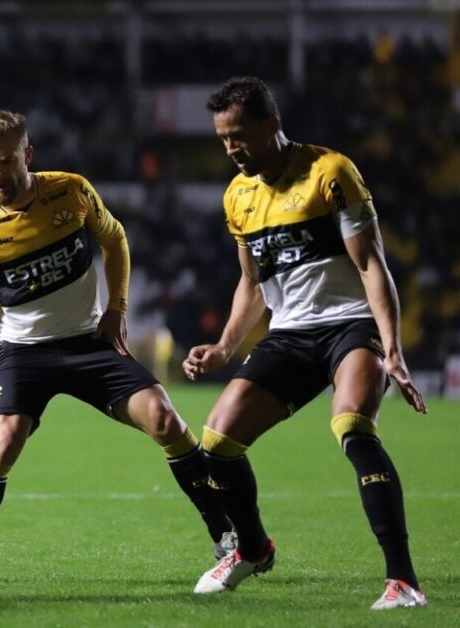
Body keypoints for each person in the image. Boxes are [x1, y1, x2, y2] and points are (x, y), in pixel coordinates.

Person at [0, 111, 234, 586]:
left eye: (5, 161)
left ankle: (224, 533)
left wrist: (117, 308)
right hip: (25, 352)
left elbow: (115, 239)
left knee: (165, 418)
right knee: (3, 441)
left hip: (89, 340)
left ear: (28, 155)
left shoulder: (70, 190)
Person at [183, 77, 427, 610]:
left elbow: (370, 264)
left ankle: (403, 581)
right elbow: (252, 283)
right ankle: (252, 549)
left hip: (349, 325)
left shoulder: (330, 173)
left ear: (272, 125)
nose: (231, 148)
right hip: (290, 335)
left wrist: (393, 350)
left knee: (353, 427)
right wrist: (224, 347)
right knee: (217, 444)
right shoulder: (237, 196)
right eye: (223, 139)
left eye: (240, 135)